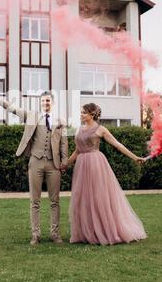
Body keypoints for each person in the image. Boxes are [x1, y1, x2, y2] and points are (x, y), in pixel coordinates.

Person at [0, 90, 68, 245]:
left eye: (48, 101)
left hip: (54, 165)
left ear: (53, 103)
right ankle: (35, 235)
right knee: (35, 201)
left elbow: (64, 143)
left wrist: (64, 162)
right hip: (35, 162)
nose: (46, 103)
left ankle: (55, 234)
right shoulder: (31, 116)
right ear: (40, 102)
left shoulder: (60, 121)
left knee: (55, 201)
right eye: (44, 101)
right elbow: (12, 108)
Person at [61, 103, 147, 245]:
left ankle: (105, 231)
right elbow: (77, 151)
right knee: (83, 198)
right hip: (81, 165)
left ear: (92, 114)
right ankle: (87, 232)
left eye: (84, 113)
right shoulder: (78, 129)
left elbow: (118, 145)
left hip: (96, 164)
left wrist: (135, 157)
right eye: (81, 112)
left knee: (98, 197)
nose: (81, 114)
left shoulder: (101, 129)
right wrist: (66, 164)